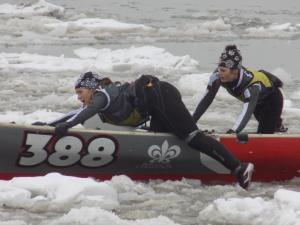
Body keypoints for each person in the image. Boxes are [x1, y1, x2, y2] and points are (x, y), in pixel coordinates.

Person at [38, 71, 254, 189]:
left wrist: (65, 127)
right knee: (162, 137)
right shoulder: (100, 98)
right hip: (158, 99)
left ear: (92, 88)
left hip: (160, 94)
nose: (79, 97)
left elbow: (83, 113)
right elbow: (76, 113)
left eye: (80, 92)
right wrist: (49, 126)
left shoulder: (100, 95)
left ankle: (239, 167)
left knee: (191, 137)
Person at [193, 45, 286, 134]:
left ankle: (277, 128)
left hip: (272, 100)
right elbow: (206, 100)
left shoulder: (252, 85)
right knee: (268, 124)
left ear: (235, 71)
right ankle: (277, 126)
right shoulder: (217, 76)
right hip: (257, 101)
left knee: (265, 131)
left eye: (223, 70)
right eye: (219, 69)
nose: (219, 73)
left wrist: (233, 131)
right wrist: (191, 122)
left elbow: (247, 112)